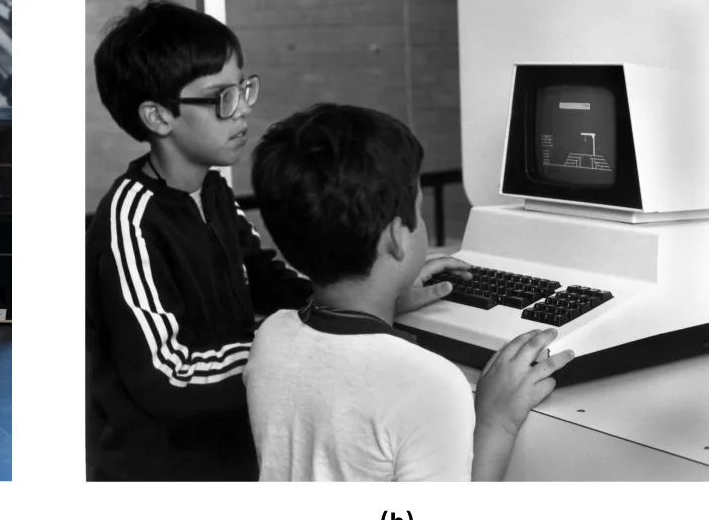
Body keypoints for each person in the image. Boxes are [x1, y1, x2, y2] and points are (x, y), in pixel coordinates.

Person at [244, 103, 576, 481]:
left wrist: (388, 295)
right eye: (418, 209)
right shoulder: (430, 384)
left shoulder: (270, 335)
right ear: (397, 237)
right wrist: (494, 420)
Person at [85, 0, 312, 481]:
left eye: (243, 88)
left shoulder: (213, 191)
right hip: (165, 475)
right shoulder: (130, 220)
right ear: (158, 117)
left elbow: (267, 279)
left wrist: (359, 296)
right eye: (220, 98)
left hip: (235, 455)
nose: (243, 109)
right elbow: (169, 375)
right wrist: (300, 348)